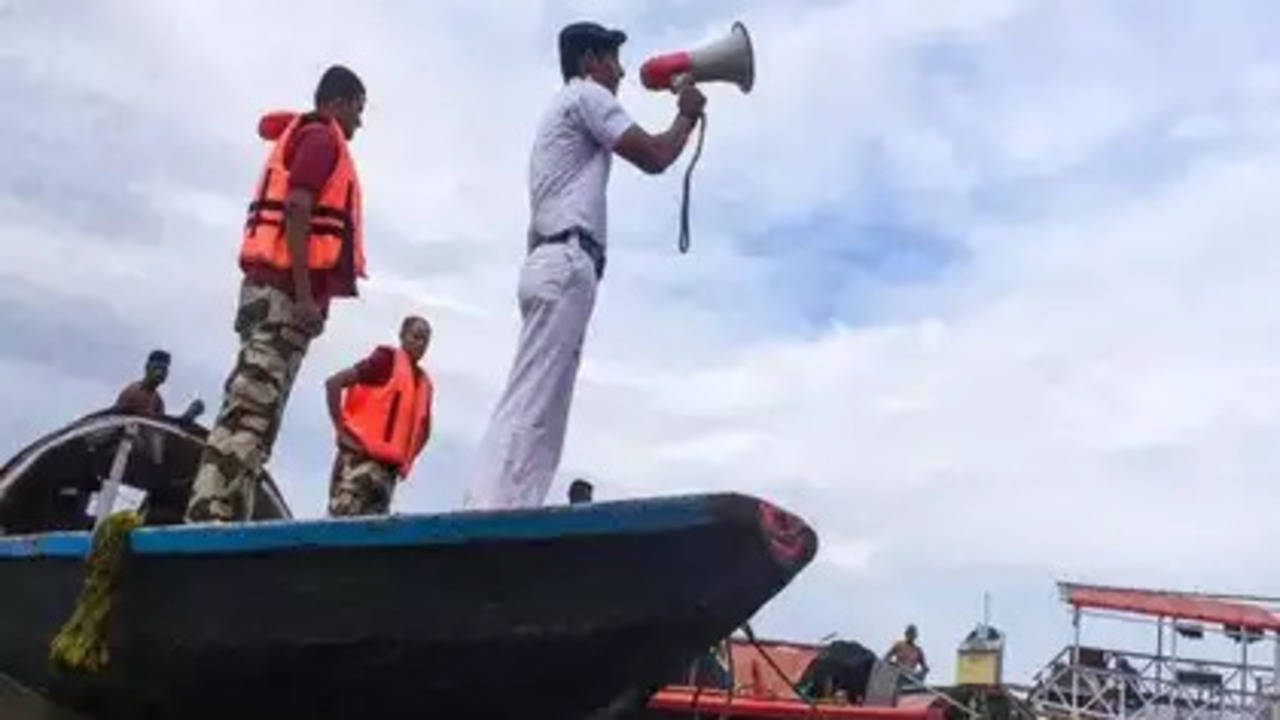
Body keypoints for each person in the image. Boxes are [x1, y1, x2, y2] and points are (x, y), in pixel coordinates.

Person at [465, 21, 706, 510]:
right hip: (565, 258)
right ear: (589, 62)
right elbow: (656, 156)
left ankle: (514, 507)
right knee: (535, 399)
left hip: (560, 261)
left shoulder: (569, 104)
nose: (621, 71)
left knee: (547, 406)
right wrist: (684, 117)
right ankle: (489, 509)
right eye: (613, 59)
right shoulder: (586, 96)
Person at [185, 65, 369, 523]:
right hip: (282, 296)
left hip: (273, 296)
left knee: (255, 412)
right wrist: (306, 295)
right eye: (358, 111)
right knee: (251, 413)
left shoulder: (313, 137)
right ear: (339, 103)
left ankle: (226, 512)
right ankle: (212, 518)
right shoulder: (322, 139)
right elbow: (298, 204)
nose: (359, 124)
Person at [325, 316, 434, 517]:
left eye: (425, 341)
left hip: (387, 475)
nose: (420, 344)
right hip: (359, 463)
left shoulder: (424, 385)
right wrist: (341, 432)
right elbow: (334, 383)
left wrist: (405, 459)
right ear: (402, 336)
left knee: (369, 538)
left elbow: (424, 432)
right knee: (340, 523)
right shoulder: (386, 361)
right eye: (416, 337)